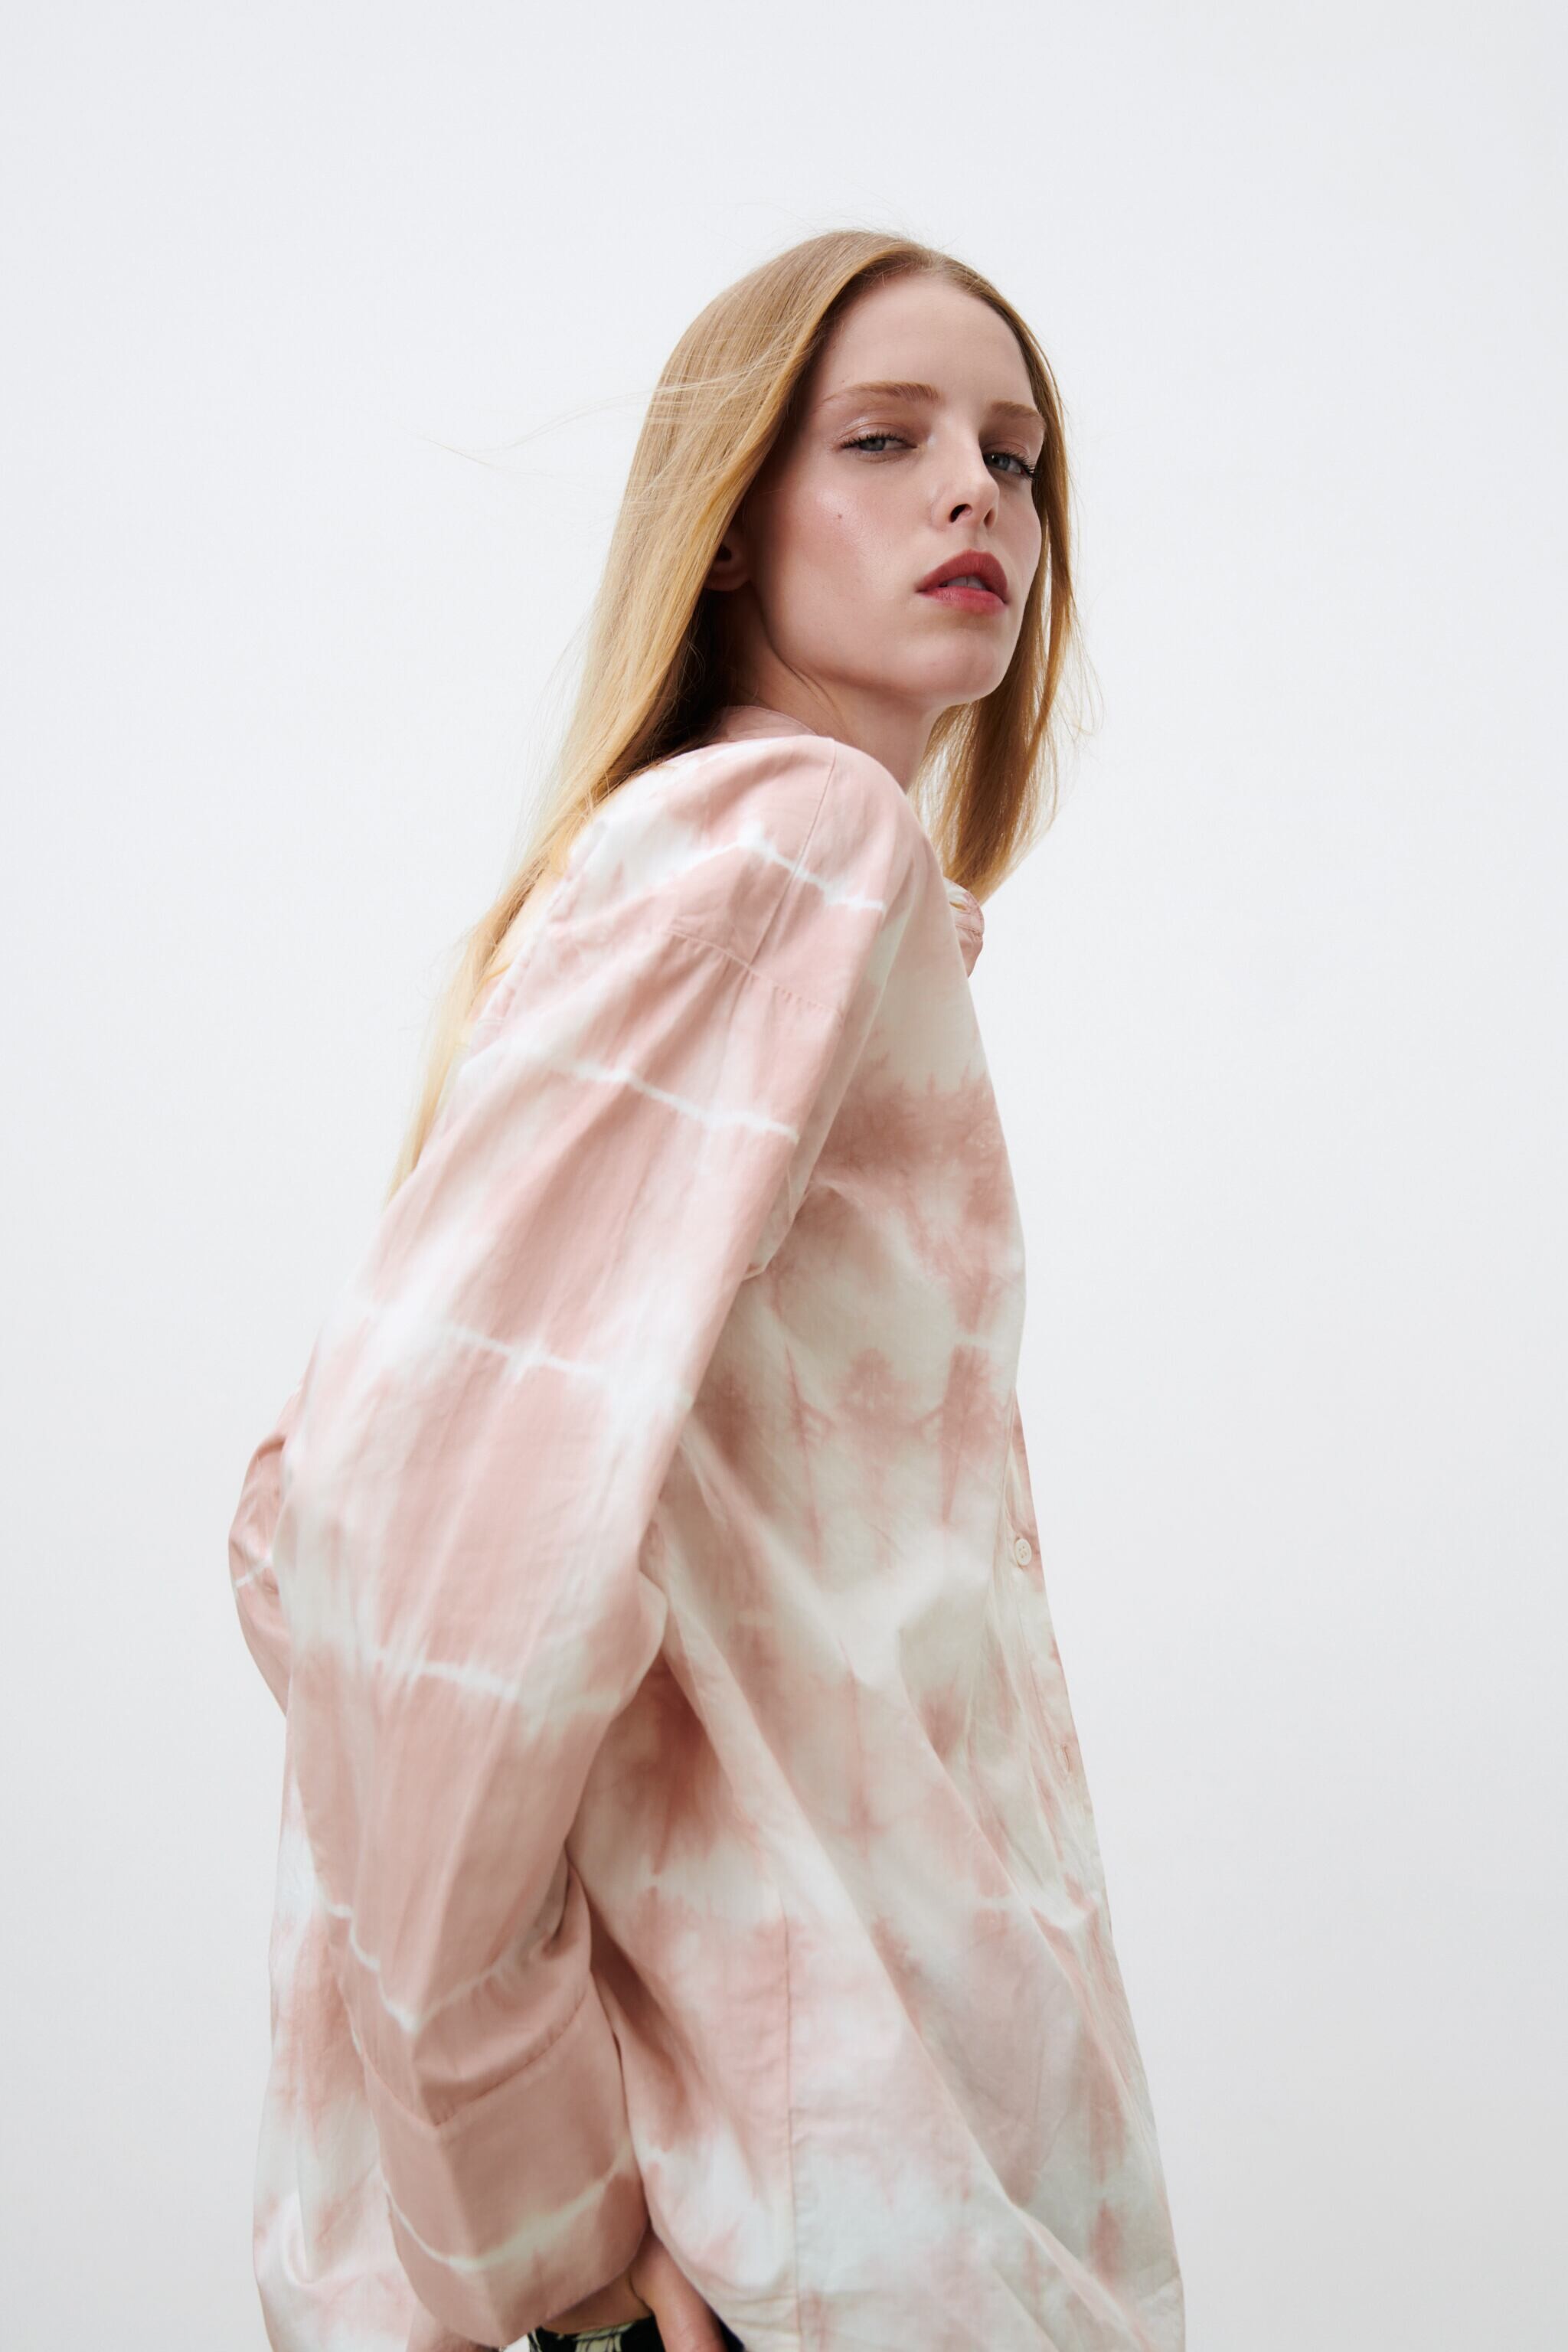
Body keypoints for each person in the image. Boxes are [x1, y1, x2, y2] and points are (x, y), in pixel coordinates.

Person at [227, 228, 1186, 2352]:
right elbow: (384, 1531)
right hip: (783, 2229)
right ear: (732, 524)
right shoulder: (789, 850)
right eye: (885, 439)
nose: (977, 495)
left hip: (841, 2179)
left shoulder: (771, 878)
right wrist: (544, 2212)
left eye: (1017, 458)